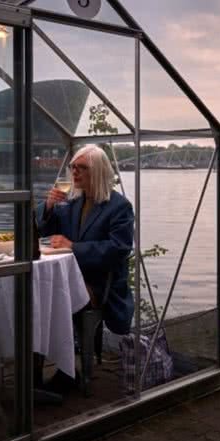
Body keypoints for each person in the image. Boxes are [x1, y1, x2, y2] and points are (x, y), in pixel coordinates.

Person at [36, 145, 134, 391]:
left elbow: (119, 248)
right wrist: (48, 206)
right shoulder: (72, 203)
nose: (75, 173)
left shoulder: (118, 206)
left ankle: (67, 373)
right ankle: (34, 371)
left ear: (98, 171)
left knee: (55, 300)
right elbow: (44, 230)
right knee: (38, 299)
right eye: (73, 167)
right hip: (71, 278)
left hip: (101, 284)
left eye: (82, 168)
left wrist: (74, 247)